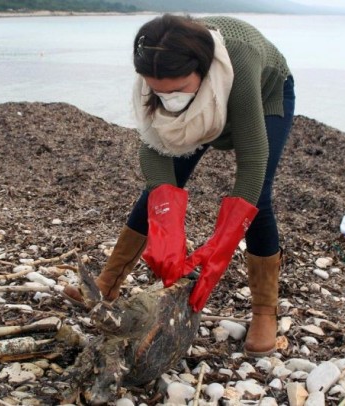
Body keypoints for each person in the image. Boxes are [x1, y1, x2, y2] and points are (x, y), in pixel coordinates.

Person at [64, 14, 295, 357]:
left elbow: (252, 163)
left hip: (263, 98)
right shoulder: (157, 68)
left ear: (201, 71)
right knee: (159, 192)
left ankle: (264, 311)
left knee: (257, 199)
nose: (167, 98)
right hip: (200, 105)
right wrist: (167, 220)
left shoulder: (240, 60)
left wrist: (225, 239)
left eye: (175, 89)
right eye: (158, 90)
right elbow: (155, 151)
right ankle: (107, 284)